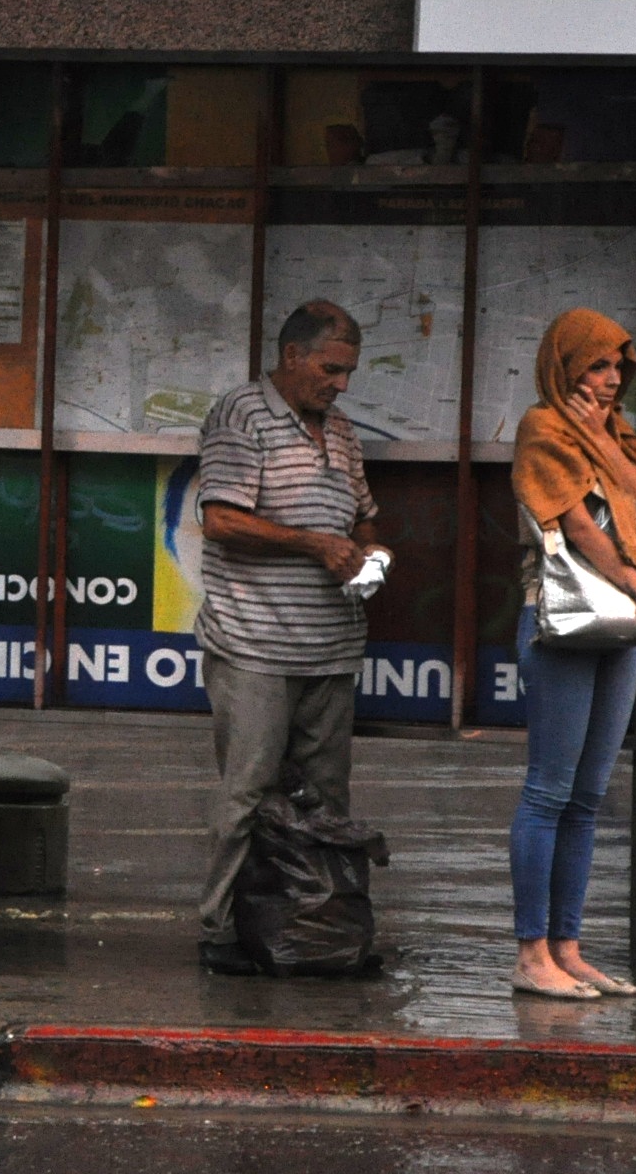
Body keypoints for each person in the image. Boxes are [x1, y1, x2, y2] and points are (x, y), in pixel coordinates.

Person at [193, 300, 390, 975]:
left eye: (350, 372)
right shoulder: (241, 414)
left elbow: (363, 518)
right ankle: (221, 929)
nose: (341, 384)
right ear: (291, 358)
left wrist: (370, 554)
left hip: (330, 644)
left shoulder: (341, 431)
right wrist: (311, 545)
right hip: (254, 642)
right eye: (331, 369)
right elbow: (220, 519)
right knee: (248, 792)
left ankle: (320, 929)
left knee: (327, 801)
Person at [507, 308, 636, 1000]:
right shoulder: (542, 429)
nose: (606, 380)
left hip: (620, 625)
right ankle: (531, 952)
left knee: (588, 795)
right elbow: (578, 528)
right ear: (564, 367)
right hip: (568, 620)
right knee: (548, 789)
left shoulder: (614, 432)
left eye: (614, 368)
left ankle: (568, 947)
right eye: (594, 366)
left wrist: (603, 436)